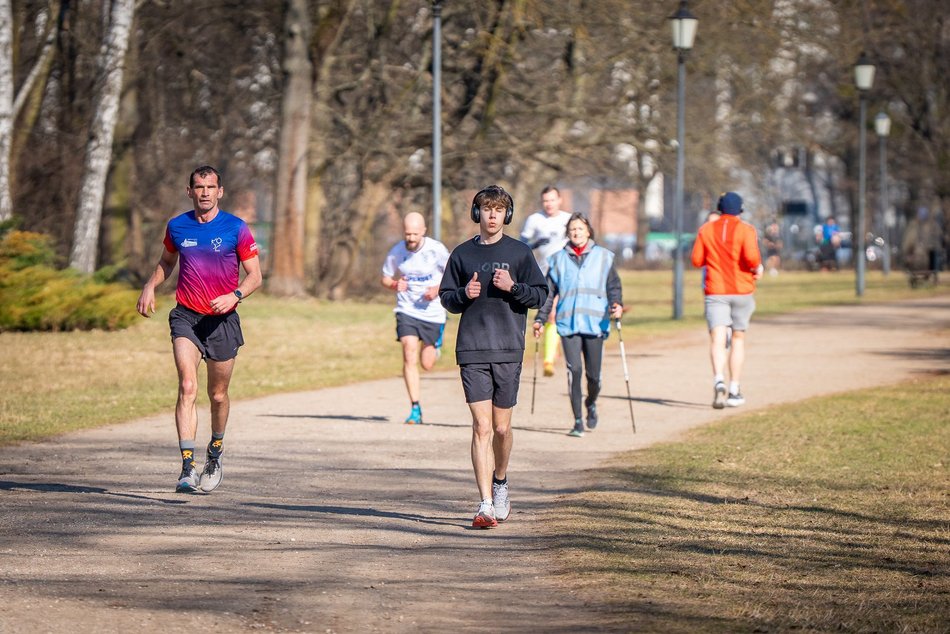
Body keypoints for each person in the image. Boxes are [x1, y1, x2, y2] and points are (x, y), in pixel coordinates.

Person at [136, 165, 262, 493]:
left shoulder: (236, 228)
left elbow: (255, 277)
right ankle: (187, 467)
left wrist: (233, 295)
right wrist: (151, 285)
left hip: (222, 321)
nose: (204, 192)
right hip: (186, 317)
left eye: (210, 187)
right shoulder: (177, 226)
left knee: (217, 395)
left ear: (220, 191)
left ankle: (215, 453)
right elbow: (167, 262)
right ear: (189, 191)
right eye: (198, 186)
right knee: (188, 385)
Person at [439, 185, 548, 528]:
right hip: (472, 348)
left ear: (506, 215)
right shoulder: (461, 254)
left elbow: (539, 296)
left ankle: (501, 481)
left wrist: (513, 287)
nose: (492, 215)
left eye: (498, 210)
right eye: (486, 209)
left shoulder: (519, 253)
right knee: (481, 426)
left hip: (507, 347)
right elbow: (447, 297)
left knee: (501, 428)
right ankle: (485, 504)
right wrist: (463, 294)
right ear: (477, 214)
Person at [533, 213, 623, 438]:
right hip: (568, 323)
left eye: (580, 229)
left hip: (595, 323)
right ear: (568, 233)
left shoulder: (604, 257)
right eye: (572, 229)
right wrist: (540, 319)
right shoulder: (556, 260)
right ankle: (577, 421)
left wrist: (616, 304)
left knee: (593, 376)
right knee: (574, 371)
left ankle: (591, 403)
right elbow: (548, 293)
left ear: (588, 231)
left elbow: (613, 286)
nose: (576, 233)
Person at [690, 192, 762, 409]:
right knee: (738, 339)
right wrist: (755, 269)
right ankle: (734, 389)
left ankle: (718, 378)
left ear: (719, 208)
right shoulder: (746, 230)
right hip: (741, 290)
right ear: (740, 209)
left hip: (716, 290)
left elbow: (696, 260)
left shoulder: (706, 229)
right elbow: (752, 259)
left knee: (717, 339)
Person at [380, 212, 450, 424]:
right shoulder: (397, 252)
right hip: (407, 309)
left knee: (426, 364)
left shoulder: (436, 250)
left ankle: (435, 346)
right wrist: (394, 284)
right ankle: (415, 408)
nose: (410, 238)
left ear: (423, 231)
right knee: (408, 353)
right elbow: (385, 277)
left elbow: (453, 275)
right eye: (407, 233)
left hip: (433, 312)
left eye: (414, 234)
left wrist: (437, 289)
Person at [520, 186, 571, 377]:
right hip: (541, 273)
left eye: (552, 200)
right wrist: (533, 244)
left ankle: (548, 360)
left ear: (560, 200)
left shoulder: (568, 219)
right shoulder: (535, 220)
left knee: (553, 313)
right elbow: (520, 244)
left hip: (563, 273)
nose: (549, 204)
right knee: (551, 314)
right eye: (545, 201)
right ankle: (552, 346)